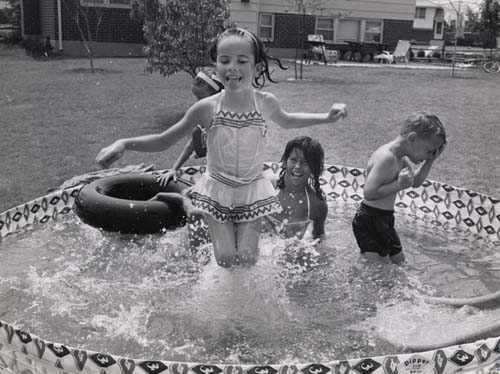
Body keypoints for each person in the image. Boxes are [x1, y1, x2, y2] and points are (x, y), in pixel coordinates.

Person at [96, 27, 347, 268]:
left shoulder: (264, 103)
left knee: (248, 260)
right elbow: (164, 139)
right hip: (218, 190)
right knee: (226, 259)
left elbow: (289, 119)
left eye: (241, 61)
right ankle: (206, 239)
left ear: (256, 66)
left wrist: (326, 117)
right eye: (225, 60)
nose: (232, 68)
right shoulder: (207, 108)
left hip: (251, 189)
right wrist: (123, 143)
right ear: (215, 67)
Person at [352, 112, 447, 264]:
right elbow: (369, 193)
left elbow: (414, 182)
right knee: (374, 267)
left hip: (384, 218)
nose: (430, 155)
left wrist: (430, 161)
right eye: (429, 150)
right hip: (369, 220)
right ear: (412, 138)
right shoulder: (387, 157)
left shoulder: (400, 157)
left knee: (400, 262)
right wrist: (398, 185)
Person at [265, 136, 327, 241]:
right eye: (293, 160)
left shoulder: (316, 204)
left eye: (305, 162)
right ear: (285, 161)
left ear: (314, 167)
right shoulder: (267, 187)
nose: (298, 166)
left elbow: (319, 239)